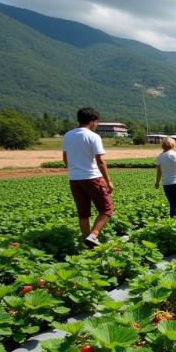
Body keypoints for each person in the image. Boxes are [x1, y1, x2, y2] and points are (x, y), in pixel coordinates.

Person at [61, 106, 115, 248]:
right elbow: (100, 160)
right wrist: (108, 180)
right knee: (106, 209)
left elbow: (65, 158)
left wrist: (74, 169)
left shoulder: (68, 135)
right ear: (92, 121)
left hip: (74, 179)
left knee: (83, 212)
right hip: (92, 177)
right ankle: (94, 235)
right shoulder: (93, 136)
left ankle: (86, 242)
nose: (96, 125)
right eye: (96, 122)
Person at [155, 136, 176, 217]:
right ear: (173, 145)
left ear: (163, 145)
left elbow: (159, 171)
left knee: (173, 205)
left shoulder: (160, 157)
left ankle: (173, 220)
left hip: (166, 184)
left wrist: (157, 182)